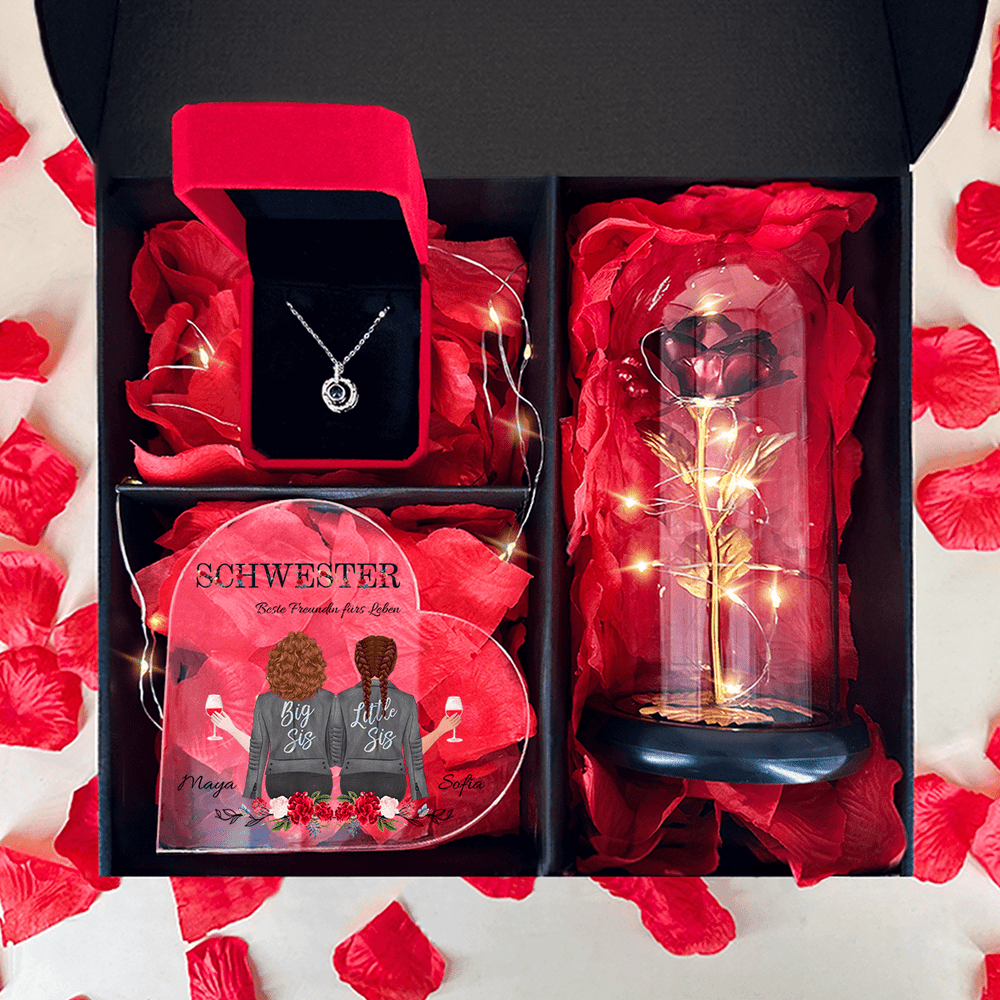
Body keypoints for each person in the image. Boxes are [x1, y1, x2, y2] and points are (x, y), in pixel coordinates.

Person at [329, 635, 444, 801]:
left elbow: (335, 753)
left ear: (359, 663)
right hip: (393, 783)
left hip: (352, 782)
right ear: (391, 665)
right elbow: (414, 751)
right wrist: (418, 793)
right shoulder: (406, 700)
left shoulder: (342, 699)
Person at [240, 630, 338, 799]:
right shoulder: (328, 699)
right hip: (318, 776)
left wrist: (252, 792)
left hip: (279, 778)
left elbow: (258, 747)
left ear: (278, 665)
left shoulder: (265, 701)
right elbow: (334, 743)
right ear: (315, 664)